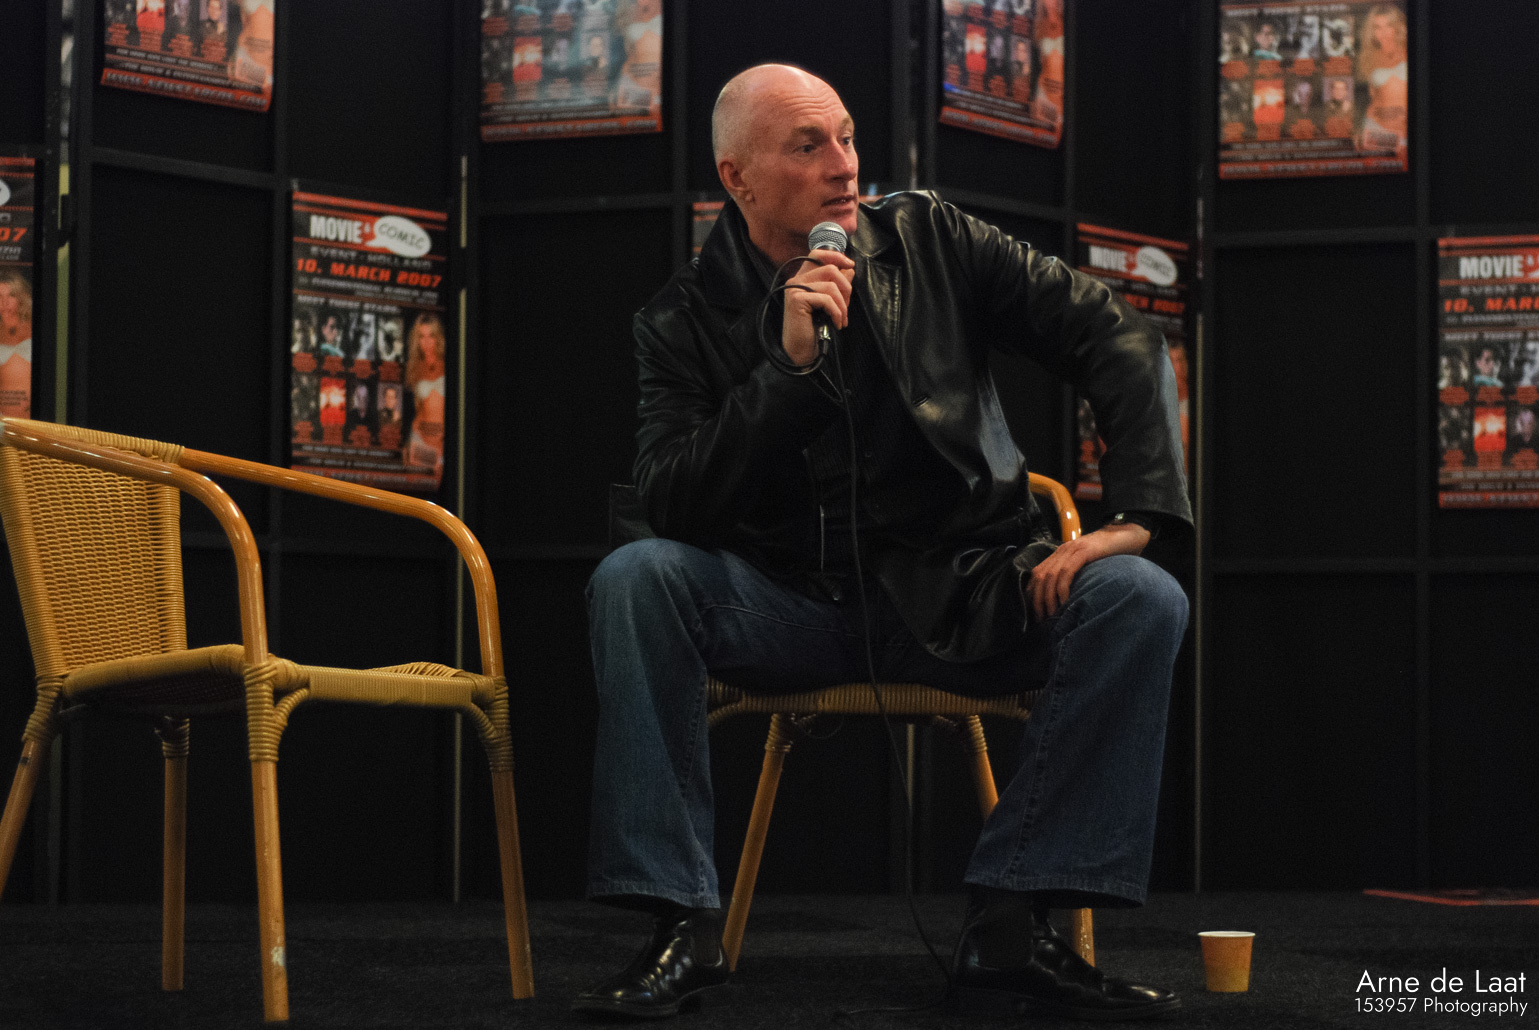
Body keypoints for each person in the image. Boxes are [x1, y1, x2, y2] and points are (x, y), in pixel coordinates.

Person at [576, 65, 1190, 1022]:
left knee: (1140, 597)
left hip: (963, 593)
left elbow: (1118, 338)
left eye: (847, 137)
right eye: (807, 146)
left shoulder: (932, 238)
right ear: (737, 179)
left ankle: (1011, 922)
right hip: (785, 608)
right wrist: (786, 372)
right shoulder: (680, 318)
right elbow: (676, 502)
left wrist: (1137, 515)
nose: (843, 165)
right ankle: (680, 927)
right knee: (635, 578)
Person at [404, 312, 446, 475]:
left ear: (438, 338)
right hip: (420, 440)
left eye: (431, 336)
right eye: (422, 336)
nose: (427, 342)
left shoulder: (448, 363)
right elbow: (419, 409)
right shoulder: (415, 367)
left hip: (443, 444)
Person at [0, 270, 32, 419]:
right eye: (0, 296)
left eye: (11, 295)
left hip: (35, 420)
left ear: (20, 297)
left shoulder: (37, 327)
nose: (5, 302)